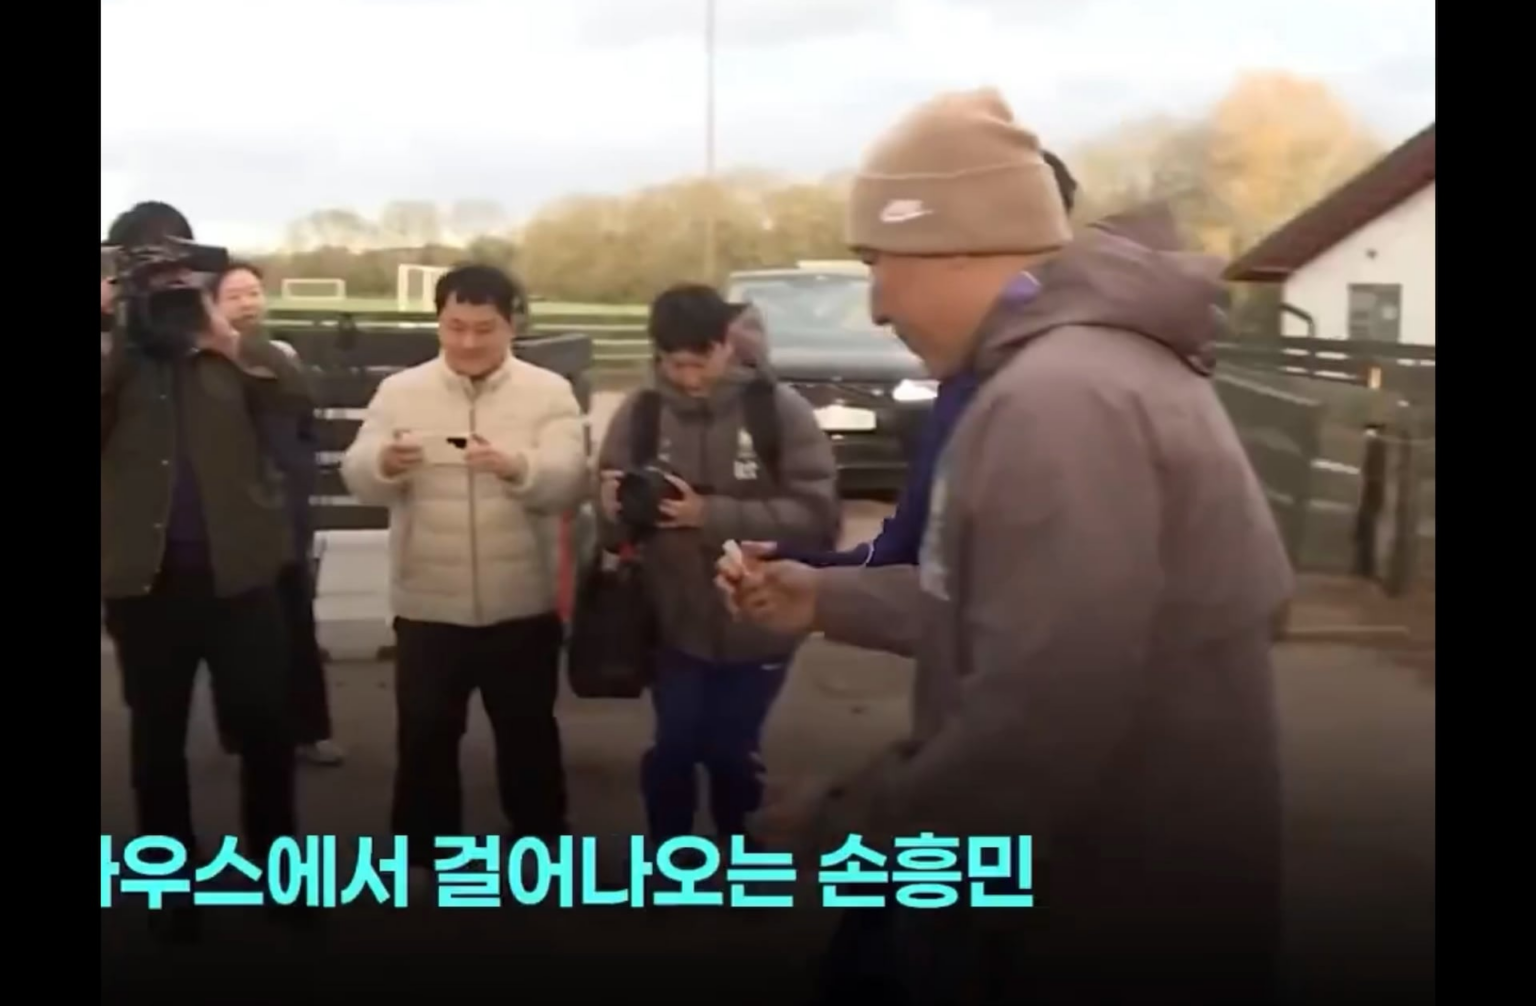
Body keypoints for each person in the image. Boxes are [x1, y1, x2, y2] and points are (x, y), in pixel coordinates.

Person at [718, 88, 1292, 1004]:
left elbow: (1041, 715)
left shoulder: (1057, 402)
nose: (876, 306)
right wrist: (826, 596)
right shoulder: (1085, 375)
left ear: (953, 244)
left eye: (877, 263)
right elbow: (1019, 606)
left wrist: (847, 828)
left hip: (1098, 914)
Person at [101, 201, 310, 940]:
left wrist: (222, 337)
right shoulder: (115, 354)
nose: (162, 281)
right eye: (143, 266)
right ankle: (169, 884)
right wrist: (112, 328)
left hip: (240, 575)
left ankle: (280, 875)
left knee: (267, 728)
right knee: (156, 734)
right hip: (145, 581)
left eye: (172, 264)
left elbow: (294, 396)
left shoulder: (228, 345)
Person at [341, 263, 586, 881]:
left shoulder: (548, 392)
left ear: (512, 325)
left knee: (528, 734)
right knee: (425, 734)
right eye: (455, 327)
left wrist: (517, 467)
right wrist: (384, 462)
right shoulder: (401, 391)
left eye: (484, 328)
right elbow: (357, 472)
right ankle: (424, 855)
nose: (468, 342)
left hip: (521, 600)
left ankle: (541, 850)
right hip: (428, 599)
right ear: (438, 323)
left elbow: (567, 480)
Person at [594, 283, 839, 849]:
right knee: (675, 747)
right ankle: (671, 859)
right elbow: (612, 531)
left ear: (726, 344)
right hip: (671, 619)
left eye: (698, 363)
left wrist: (709, 514)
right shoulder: (640, 414)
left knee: (731, 750)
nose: (687, 378)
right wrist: (611, 508)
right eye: (673, 365)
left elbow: (816, 516)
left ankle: (742, 857)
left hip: (761, 618)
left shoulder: (777, 411)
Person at [769, 149, 1078, 571]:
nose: (878, 311)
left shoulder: (1076, 391)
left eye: (880, 263)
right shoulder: (964, 381)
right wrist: (811, 578)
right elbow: (915, 556)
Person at [210, 260, 344, 767]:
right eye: (234, 296)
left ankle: (310, 730)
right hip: (230, 516)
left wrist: (297, 483)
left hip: (283, 509)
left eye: (253, 293)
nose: (248, 304)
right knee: (235, 633)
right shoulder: (200, 363)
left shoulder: (280, 355)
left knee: (294, 622)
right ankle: (243, 734)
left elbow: (303, 422)